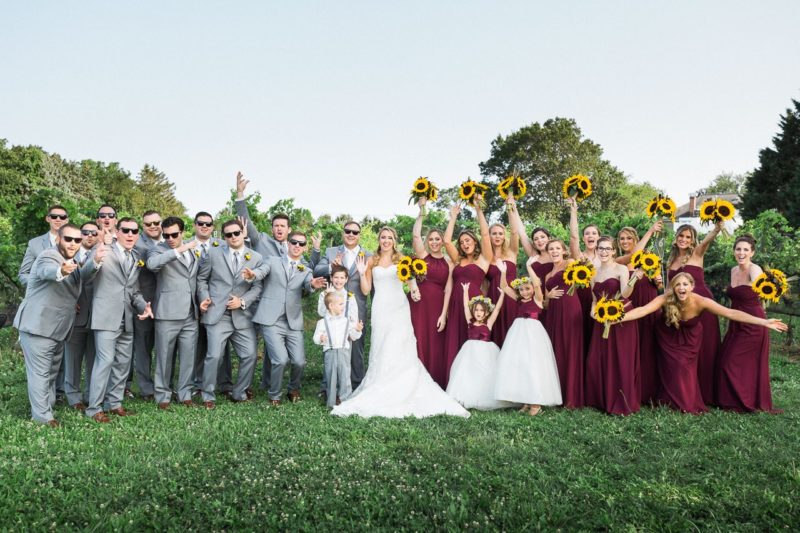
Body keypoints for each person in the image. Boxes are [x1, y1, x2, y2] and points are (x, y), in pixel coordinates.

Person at [332, 227, 470, 419]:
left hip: (399, 307)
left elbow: (411, 280)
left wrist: (414, 290)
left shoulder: (402, 259)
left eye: (390, 237)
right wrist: (363, 273)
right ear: (379, 240)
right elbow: (365, 291)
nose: (386, 241)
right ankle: (381, 383)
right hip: (381, 308)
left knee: (400, 346)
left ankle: (404, 384)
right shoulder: (372, 260)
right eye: (383, 237)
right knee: (382, 346)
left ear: (394, 240)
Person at [620, 272, 788, 413]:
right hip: (668, 336)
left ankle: (685, 403)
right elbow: (643, 310)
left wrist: (764, 322)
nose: (681, 288)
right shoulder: (666, 298)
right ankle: (668, 401)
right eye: (677, 285)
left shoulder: (701, 301)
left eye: (685, 284)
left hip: (691, 339)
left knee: (684, 369)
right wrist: (619, 317)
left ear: (692, 286)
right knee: (671, 367)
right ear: (673, 287)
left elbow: (730, 313)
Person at [13, 224, 104, 426]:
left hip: (58, 329)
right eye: (68, 239)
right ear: (58, 240)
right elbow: (48, 271)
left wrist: (96, 260)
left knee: (51, 374)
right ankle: (43, 419)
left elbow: (82, 275)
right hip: (38, 327)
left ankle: (46, 406)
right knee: (40, 374)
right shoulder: (49, 256)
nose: (73, 244)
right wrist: (60, 270)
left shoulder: (75, 260)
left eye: (77, 240)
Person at [85, 218, 153, 423]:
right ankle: (94, 408)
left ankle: (114, 404)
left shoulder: (135, 257)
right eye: (126, 230)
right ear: (118, 232)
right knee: (104, 361)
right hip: (105, 317)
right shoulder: (103, 250)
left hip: (127, 318)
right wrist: (95, 260)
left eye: (134, 231)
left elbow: (133, 290)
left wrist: (143, 306)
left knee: (123, 363)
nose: (131, 234)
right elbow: (85, 275)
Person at [196, 220, 265, 409]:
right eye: (228, 234)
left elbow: (258, 287)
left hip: (242, 315)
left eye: (236, 233)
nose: (233, 237)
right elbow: (202, 279)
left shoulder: (256, 257)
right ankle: (208, 395)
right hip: (218, 314)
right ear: (224, 237)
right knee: (214, 356)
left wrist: (243, 301)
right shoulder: (213, 253)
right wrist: (205, 296)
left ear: (243, 233)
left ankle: (239, 391)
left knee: (250, 355)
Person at [254, 231, 326, 405]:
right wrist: (253, 275)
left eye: (301, 244)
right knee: (280, 359)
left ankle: (293, 389)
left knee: (299, 362)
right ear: (288, 244)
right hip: (271, 319)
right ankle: (274, 395)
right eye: (294, 242)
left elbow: (309, 284)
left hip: (293, 320)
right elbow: (261, 271)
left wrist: (313, 285)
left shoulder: (305, 269)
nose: (297, 246)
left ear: (305, 247)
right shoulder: (272, 261)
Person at [716, 235, 777, 412]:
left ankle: (744, 401)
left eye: (745, 250)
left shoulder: (754, 269)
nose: (741, 253)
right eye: (738, 249)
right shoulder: (733, 270)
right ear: (734, 251)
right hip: (736, 321)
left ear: (752, 252)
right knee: (725, 360)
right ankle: (731, 400)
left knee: (732, 361)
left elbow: (763, 288)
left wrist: (769, 285)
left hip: (753, 323)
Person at [666, 221, 724, 405]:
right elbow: (669, 289)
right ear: (675, 239)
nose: (684, 239)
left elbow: (708, 239)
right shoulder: (670, 261)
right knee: (684, 349)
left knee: (704, 347)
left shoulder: (697, 253)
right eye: (681, 236)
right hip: (680, 308)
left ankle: (707, 392)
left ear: (693, 241)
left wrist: (716, 228)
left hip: (701, 306)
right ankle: (685, 388)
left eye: (688, 237)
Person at [146, 216, 200, 409]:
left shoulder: (194, 250)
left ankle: (185, 394)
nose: (170, 238)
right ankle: (162, 396)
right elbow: (152, 265)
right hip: (167, 313)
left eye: (174, 234)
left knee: (188, 357)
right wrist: (178, 250)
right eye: (166, 235)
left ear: (182, 232)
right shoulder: (158, 250)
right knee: (164, 357)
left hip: (190, 313)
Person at [495, 261, 562, 415]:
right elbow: (505, 287)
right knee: (522, 363)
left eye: (527, 288)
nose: (524, 292)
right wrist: (503, 272)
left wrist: (529, 268)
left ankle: (536, 404)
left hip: (533, 333)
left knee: (534, 364)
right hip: (518, 333)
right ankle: (526, 400)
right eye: (522, 289)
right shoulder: (519, 300)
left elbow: (538, 286)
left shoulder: (538, 299)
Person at [584, 236, 640, 416]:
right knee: (598, 359)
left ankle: (621, 401)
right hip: (601, 320)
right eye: (601, 248)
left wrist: (633, 280)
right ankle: (601, 399)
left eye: (608, 249)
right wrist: (593, 310)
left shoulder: (621, 268)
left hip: (620, 317)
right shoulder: (593, 271)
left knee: (620, 359)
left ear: (614, 251)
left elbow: (625, 293)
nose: (604, 252)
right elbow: (594, 298)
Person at [314, 220, 372, 390]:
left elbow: (370, 283)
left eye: (355, 232)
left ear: (359, 235)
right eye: (348, 231)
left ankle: (356, 384)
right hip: (333, 308)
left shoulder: (367, 255)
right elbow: (318, 270)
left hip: (356, 306)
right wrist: (331, 267)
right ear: (343, 233)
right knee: (332, 346)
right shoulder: (332, 251)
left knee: (356, 348)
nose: (351, 235)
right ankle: (329, 386)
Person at [442, 201, 492, 386]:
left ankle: (474, 385)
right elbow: (446, 241)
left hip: (474, 306)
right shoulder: (458, 259)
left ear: (475, 242)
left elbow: (486, 234)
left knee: (472, 343)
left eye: (468, 241)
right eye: (462, 242)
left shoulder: (484, 258)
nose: (464, 244)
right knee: (455, 342)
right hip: (456, 305)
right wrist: (453, 215)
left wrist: (479, 209)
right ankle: (455, 384)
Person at [617, 222, 664, 405]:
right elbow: (632, 256)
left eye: (629, 238)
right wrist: (650, 231)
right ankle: (633, 389)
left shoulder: (648, 259)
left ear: (636, 239)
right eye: (622, 238)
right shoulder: (619, 262)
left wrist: (658, 280)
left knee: (649, 346)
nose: (625, 241)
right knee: (633, 348)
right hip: (630, 306)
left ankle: (650, 392)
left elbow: (658, 286)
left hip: (648, 304)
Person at [446, 283, 511, 410]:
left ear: (486, 312)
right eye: (476, 310)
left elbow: (497, 309)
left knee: (486, 373)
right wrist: (465, 291)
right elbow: (465, 306)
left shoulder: (489, 323)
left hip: (486, 353)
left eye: (482, 310)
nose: (479, 312)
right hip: (469, 353)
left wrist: (502, 295)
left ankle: (485, 397)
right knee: (468, 373)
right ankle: (467, 396)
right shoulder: (470, 321)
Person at [409, 196, 452, 387]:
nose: (434, 242)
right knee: (417, 338)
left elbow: (449, 288)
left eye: (438, 239)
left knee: (435, 342)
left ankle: (434, 381)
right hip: (417, 303)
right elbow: (416, 236)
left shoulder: (449, 262)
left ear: (443, 241)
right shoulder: (422, 256)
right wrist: (421, 211)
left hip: (437, 306)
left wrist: (444, 313)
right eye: (431, 239)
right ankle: (414, 379)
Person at [190, 211, 233, 398]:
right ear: (195, 225)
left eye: (208, 223)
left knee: (220, 347)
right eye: (201, 223)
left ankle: (224, 382)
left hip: (217, 304)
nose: (204, 226)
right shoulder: (185, 245)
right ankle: (199, 382)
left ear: (213, 227)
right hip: (191, 299)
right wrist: (201, 297)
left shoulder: (224, 245)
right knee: (199, 343)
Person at [542, 239, 584, 408]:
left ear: (564, 250)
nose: (554, 251)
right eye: (551, 249)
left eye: (557, 248)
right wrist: (549, 296)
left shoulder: (570, 263)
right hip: (553, 313)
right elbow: (544, 303)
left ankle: (572, 397)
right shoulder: (547, 275)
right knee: (556, 349)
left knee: (570, 348)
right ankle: (556, 394)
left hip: (570, 308)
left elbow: (582, 279)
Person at [63, 222, 100, 411]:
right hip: (76, 316)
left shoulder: (104, 254)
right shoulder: (67, 255)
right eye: (85, 232)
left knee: (94, 361)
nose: (90, 236)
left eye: (94, 232)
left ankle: (90, 395)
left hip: (98, 317)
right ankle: (73, 398)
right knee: (73, 361)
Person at [312, 291, 364, 408]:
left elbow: (353, 336)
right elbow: (315, 338)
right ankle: (331, 401)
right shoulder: (322, 322)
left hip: (343, 352)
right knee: (331, 377)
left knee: (345, 377)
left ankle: (345, 401)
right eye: (340, 304)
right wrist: (320, 338)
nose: (343, 306)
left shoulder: (346, 321)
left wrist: (357, 330)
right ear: (331, 306)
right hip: (330, 352)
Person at [131, 210, 162, 400]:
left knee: (165, 347)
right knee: (142, 347)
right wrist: (140, 303)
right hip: (144, 301)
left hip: (168, 304)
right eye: (148, 224)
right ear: (143, 226)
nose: (153, 226)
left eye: (156, 222)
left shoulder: (170, 241)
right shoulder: (136, 244)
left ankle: (163, 384)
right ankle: (146, 388)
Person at [482, 199, 520, 347]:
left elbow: (515, 232)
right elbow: (484, 284)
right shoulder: (485, 258)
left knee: (513, 331)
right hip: (494, 298)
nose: (497, 236)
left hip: (512, 296)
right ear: (489, 236)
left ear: (505, 236)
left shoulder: (511, 252)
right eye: (494, 234)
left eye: (500, 233)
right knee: (497, 333)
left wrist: (510, 208)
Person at [568, 197, 601, 355]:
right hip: (580, 299)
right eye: (587, 234)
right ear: (583, 238)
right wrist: (574, 211)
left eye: (594, 233)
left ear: (598, 238)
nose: (590, 235)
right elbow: (573, 237)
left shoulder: (605, 258)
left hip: (598, 301)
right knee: (582, 338)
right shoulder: (579, 256)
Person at [18, 204, 69, 286]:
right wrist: (37, 286)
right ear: (48, 219)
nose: (58, 219)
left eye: (62, 217)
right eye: (54, 216)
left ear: (67, 220)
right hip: (41, 296)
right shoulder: (34, 243)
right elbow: (23, 274)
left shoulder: (77, 242)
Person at [507, 197, 553, 281]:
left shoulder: (557, 254)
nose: (539, 240)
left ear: (549, 239)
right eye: (536, 239)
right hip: (537, 292)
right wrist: (514, 207)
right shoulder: (534, 255)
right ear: (534, 243)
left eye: (542, 237)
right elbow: (521, 232)